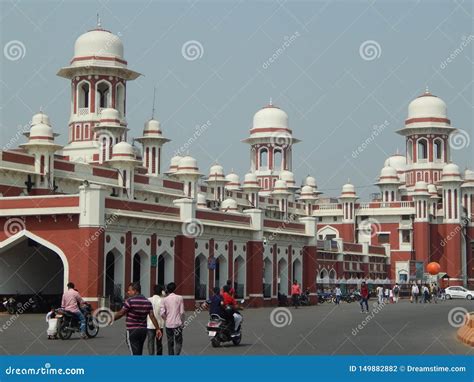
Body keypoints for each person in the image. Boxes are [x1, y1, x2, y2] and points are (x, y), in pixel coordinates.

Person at [113, 282, 162, 356]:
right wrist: (158, 329)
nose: (128, 292)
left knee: (134, 354)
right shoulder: (147, 302)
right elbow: (152, 316)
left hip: (132, 331)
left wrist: (111, 319)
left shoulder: (130, 301)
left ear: (135, 291)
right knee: (139, 352)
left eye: (130, 290)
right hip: (143, 331)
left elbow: (121, 313)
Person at [160, 282, 185, 355]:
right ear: (175, 289)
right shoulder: (179, 298)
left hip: (169, 324)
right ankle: (177, 354)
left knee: (170, 342)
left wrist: (166, 319)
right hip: (177, 323)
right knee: (178, 341)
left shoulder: (164, 299)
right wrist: (182, 322)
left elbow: (161, 313)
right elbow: (182, 312)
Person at [147, 285, 165, 355]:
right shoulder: (162, 300)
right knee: (159, 343)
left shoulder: (148, 299)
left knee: (150, 342)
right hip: (160, 325)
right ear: (161, 292)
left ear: (153, 291)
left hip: (150, 324)